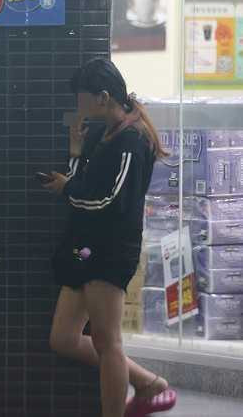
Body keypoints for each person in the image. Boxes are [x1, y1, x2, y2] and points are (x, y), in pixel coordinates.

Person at [43, 58, 177, 417]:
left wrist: (67, 188)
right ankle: (148, 383)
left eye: (81, 97)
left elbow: (109, 200)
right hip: (85, 248)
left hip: (110, 251)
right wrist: (75, 154)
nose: (78, 105)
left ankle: (134, 396)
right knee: (64, 338)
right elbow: (84, 186)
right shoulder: (105, 133)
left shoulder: (132, 141)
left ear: (103, 97)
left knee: (107, 342)